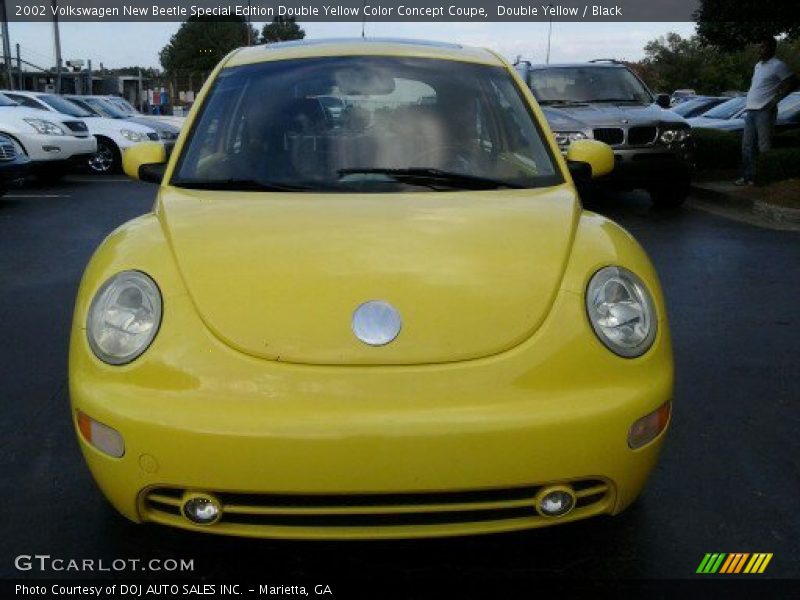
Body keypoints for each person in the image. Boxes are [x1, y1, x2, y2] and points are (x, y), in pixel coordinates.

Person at [736, 36, 798, 185]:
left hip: (764, 111)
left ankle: (764, 178)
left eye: (763, 47)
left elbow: (793, 82)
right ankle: (748, 177)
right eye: (760, 46)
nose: (760, 49)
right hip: (750, 110)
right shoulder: (758, 65)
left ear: (772, 48)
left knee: (764, 146)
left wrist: (776, 100)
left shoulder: (778, 65)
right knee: (747, 145)